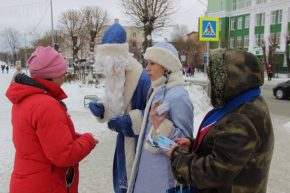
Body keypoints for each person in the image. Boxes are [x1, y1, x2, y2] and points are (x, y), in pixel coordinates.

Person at [167, 49, 274, 193]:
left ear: (231, 80)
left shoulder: (241, 119)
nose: (212, 83)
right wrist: (194, 145)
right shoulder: (248, 102)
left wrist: (178, 157)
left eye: (215, 79)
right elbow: (228, 149)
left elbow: (213, 173)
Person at [5, 46, 97, 193]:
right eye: (62, 72)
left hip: (27, 181)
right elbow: (64, 155)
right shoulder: (46, 106)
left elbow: (41, 140)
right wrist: (88, 140)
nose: (65, 75)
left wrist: (74, 137)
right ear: (52, 75)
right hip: (45, 185)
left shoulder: (26, 98)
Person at [88, 22, 151, 193]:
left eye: (112, 63)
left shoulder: (143, 79)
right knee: (123, 183)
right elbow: (116, 100)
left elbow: (156, 114)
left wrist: (132, 121)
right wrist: (103, 107)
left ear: (122, 58)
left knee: (138, 185)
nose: (109, 69)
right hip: (124, 142)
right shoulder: (116, 74)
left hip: (141, 146)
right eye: (106, 64)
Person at [127, 42, 194, 193]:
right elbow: (154, 140)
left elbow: (184, 147)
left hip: (165, 180)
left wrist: (161, 126)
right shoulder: (158, 91)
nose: (147, 68)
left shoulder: (178, 96)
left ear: (166, 66)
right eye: (147, 63)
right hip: (149, 176)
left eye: (152, 63)